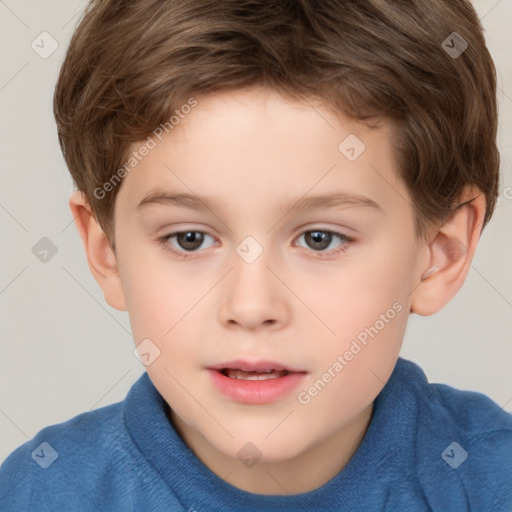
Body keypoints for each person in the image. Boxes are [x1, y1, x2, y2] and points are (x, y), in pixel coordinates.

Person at [1, 0, 511, 510]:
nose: (250, 306)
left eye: (320, 239)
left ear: (442, 253)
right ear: (106, 251)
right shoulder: (37, 493)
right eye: (190, 239)